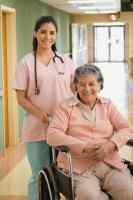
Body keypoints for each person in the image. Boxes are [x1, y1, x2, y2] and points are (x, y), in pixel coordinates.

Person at [13, 16, 76, 200]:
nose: (47, 37)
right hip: (36, 127)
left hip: (63, 127)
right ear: (35, 33)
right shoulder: (25, 63)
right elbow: (21, 98)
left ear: (55, 35)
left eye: (51, 33)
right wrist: (42, 115)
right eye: (43, 32)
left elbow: (75, 89)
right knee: (39, 174)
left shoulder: (65, 61)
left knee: (62, 174)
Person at [47, 64, 133, 200]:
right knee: (90, 196)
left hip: (110, 164)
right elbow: (52, 135)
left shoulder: (107, 105)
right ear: (75, 86)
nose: (87, 89)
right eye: (82, 84)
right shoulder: (65, 107)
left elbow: (127, 128)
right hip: (79, 167)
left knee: (129, 191)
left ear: (100, 85)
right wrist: (83, 146)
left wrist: (111, 145)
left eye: (92, 84)